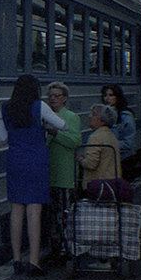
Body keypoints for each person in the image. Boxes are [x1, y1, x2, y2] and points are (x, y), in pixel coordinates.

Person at [0, 74, 67, 276]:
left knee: (16, 210)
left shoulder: (5, 108)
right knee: (34, 211)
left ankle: (17, 259)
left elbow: (3, 139)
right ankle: (34, 261)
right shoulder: (40, 107)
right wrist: (45, 126)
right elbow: (63, 125)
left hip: (15, 161)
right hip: (36, 161)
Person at [44, 81, 82, 259]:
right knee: (52, 215)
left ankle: (66, 249)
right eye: (50, 96)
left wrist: (56, 133)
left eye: (57, 96)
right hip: (49, 173)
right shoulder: (44, 116)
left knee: (65, 215)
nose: (53, 99)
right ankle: (55, 247)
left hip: (65, 174)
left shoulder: (71, 117)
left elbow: (75, 141)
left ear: (65, 98)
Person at [79, 104, 120, 181]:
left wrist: (81, 159)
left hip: (97, 184)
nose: (89, 116)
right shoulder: (110, 135)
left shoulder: (96, 137)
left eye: (94, 114)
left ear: (103, 121)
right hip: (112, 181)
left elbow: (91, 164)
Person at [101, 84, 136, 161]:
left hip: (124, 158)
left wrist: (107, 145)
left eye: (111, 95)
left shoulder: (125, 116)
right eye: (105, 95)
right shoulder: (103, 115)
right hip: (109, 158)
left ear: (117, 97)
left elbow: (128, 143)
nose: (107, 98)